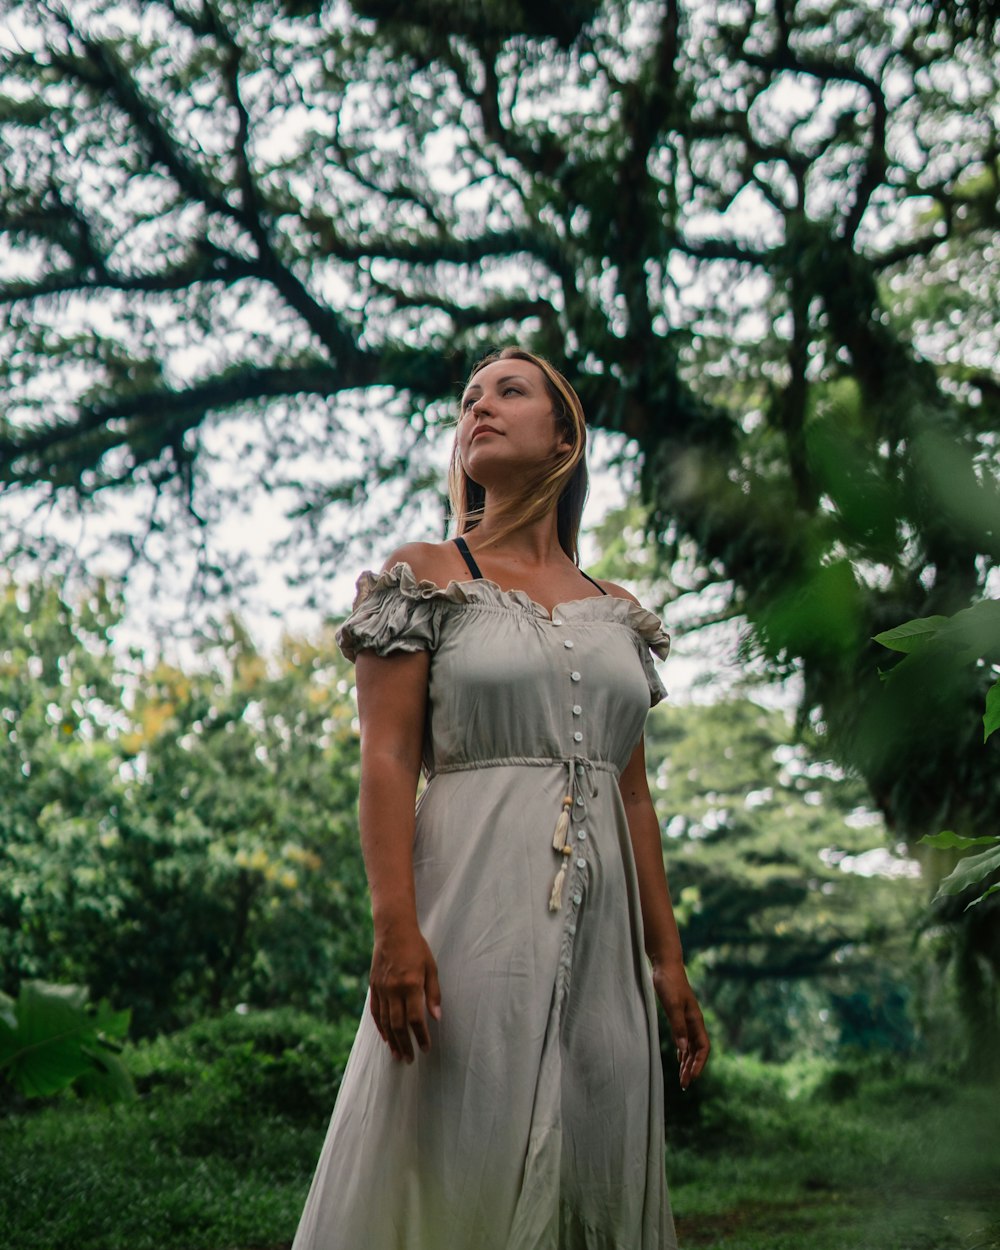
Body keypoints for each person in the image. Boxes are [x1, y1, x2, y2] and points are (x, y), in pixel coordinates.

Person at [292, 347, 710, 1250]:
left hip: (604, 943)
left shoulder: (617, 609)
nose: (477, 406)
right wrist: (395, 931)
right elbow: (388, 760)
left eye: (507, 391)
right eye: (469, 398)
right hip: (465, 918)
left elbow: (632, 795)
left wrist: (666, 961)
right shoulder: (424, 573)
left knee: (594, 1141)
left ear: (564, 435)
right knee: (455, 1140)